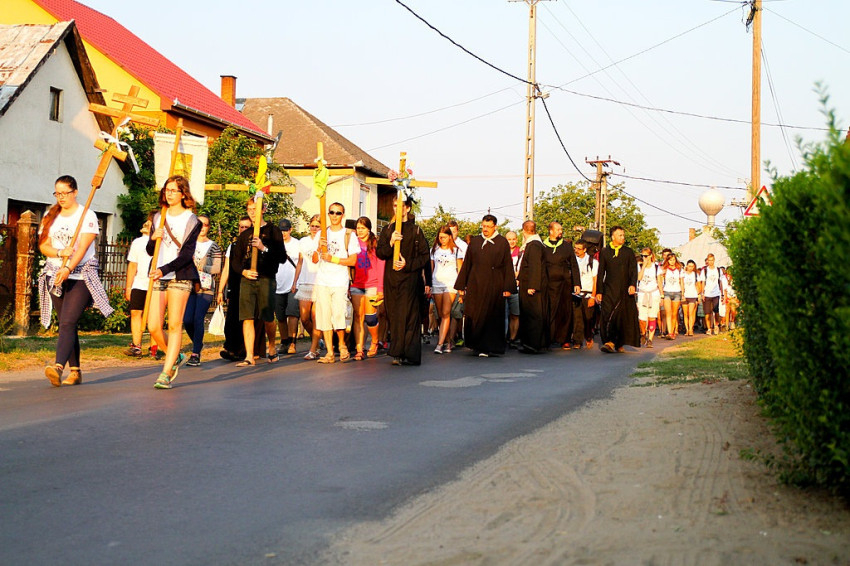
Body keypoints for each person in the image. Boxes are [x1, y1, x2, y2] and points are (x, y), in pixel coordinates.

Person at [38, 175, 114, 386]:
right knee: (66, 324)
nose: (61, 197)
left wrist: (68, 267)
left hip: (80, 275)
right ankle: (76, 371)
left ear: (75, 192)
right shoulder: (50, 215)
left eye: (65, 193)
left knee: (68, 322)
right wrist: (60, 252)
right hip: (55, 274)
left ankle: (58, 367)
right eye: (58, 193)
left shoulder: (87, 215)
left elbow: (82, 249)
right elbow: (43, 246)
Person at [146, 175, 201, 389]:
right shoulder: (158, 217)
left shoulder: (192, 220)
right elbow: (150, 251)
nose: (168, 194)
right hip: (158, 274)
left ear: (183, 194)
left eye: (173, 190)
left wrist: (165, 269)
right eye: (166, 190)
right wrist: (153, 239)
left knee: (174, 324)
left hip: (180, 275)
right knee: (153, 326)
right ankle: (175, 355)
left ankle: (166, 373)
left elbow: (187, 255)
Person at [232, 196, 286, 366]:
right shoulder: (244, 234)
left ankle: (272, 347)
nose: (252, 213)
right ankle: (249, 355)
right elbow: (235, 261)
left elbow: (282, 257)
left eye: (255, 209)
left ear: (263, 209)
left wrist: (263, 248)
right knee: (247, 317)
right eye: (249, 210)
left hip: (266, 278)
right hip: (248, 279)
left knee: (268, 317)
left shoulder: (273, 231)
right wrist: (244, 272)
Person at [376, 195, 430, 366]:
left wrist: (408, 264)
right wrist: (391, 242)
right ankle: (397, 352)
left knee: (409, 316)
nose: (397, 209)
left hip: (410, 279)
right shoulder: (387, 230)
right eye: (394, 206)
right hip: (392, 280)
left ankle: (410, 353)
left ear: (407, 208)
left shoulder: (416, 230)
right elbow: (380, 253)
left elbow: (425, 257)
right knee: (394, 315)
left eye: (400, 206)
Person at [454, 214, 516, 357]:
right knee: (475, 314)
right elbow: (467, 264)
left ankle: (490, 346)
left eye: (488, 226)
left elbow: (507, 265)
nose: (485, 229)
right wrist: (461, 285)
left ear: (495, 227)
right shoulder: (475, 241)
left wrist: (508, 287)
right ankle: (476, 344)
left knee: (491, 316)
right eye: (484, 226)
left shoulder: (502, 242)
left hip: (494, 284)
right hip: (475, 284)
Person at [313, 203, 359, 364]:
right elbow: (314, 259)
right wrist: (319, 248)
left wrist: (333, 259)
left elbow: (353, 260)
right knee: (324, 316)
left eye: (338, 213)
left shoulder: (349, 235)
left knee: (339, 314)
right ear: (328, 214)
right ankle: (330, 352)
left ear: (342, 215)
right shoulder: (321, 233)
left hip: (339, 280)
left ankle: (341, 344)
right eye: (332, 212)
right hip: (323, 280)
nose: (334, 215)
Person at [183, 215, 222, 366]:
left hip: (205, 288)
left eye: (205, 225)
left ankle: (195, 353)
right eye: (199, 224)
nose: (202, 227)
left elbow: (217, 268)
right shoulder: (188, 244)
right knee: (187, 320)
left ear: (209, 227)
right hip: (189, 286)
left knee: (198, 318)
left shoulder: (213, 246)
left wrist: (200, 266)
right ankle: (197, 343)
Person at [596, 225, 640, 353]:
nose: (622, 238)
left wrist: (632, 285)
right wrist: (599, 291)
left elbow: (633, 271)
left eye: (623, 235)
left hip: (624, 290)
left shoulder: (628, 252)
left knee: (621, 317)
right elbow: (601, 273)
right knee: (607, 314)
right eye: (620, 235)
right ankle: (609, 342)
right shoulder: (605, 252)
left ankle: (619, 343)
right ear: (613, 237)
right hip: (609, 289)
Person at [542, 221, 581, 349]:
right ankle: (548, 338)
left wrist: (577, 283)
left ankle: (565, 339)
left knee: (565, 311)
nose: (560, 232)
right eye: (558, 229)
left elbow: (574, 264)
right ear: (551, 231)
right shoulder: (543, 246)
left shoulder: (566, 246)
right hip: (549, 284)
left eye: (561, 229)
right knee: (549, 311)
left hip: (565, 283)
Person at [218, 216, 252, 361]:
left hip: (249, 286)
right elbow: (226, 269)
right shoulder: (232, 246)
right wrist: (220, 290)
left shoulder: (255, 246)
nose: (243, 229)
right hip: (235, 286)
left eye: (246, 227)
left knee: (246, 319)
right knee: (231, 319)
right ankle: (230, 347)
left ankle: (244, 349)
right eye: (241, 227)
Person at [351, 216, 385, 360]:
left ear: (369, 229)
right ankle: (359, 348)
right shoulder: (353, 242)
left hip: (372, 284)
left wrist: (380, 288)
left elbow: (381, 265)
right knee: (358, 317)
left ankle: (375, 341)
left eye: (363, 228)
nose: (360, 231)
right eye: (358, 228)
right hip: (357, 284)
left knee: (370, 318)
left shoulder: (375, 243)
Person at [123, 215, 155, 357]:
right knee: (136, 312)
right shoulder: (137, 242)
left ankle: (154, 347)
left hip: (155, 284)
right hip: (139, 283)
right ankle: (136, 346)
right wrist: (129, 287)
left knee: (154, 316)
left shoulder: (162, 242)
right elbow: (132, 265)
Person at [517, 220, 548, 353]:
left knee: (533, 314)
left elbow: (535, 266)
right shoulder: (534, 244)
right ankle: (529, 342)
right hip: (528, 284)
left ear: (524, 231)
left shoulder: (534, 245)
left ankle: (533, 344)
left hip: (532, 287)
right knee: (529, 314)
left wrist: (532, 285)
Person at [430, 225, 462, 354]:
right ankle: (448, 340)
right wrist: (428, 284)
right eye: (440, 237)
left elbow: (460, 270)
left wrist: (461, 288)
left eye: (444, 237)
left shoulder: (456, 251)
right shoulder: (434, 250)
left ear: (450, 237)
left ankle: (439, 344)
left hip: (450, 284)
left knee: (446, 312)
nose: (442, 239)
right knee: (439, 314)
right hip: (437, 283)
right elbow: (431, 268)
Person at [295, 215, 323, 360]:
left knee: (315, 316)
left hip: (318, 282)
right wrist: (295, 281)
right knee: (305, 318)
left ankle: (314, 348)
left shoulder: (323, 241)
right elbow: (300, 262)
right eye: (312, 225)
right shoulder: (303, 241)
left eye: (317, 226)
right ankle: (317, 339)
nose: (314, 228)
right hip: (305, 281)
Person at [273, 218, 301, 355]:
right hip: (278, 284)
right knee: (280, 315)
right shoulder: (274, 244)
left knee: (293, 313)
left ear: (290, 230)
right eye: (281, 230)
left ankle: (292, 342)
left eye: (285, 230)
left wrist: (296, 282)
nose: (283, 233)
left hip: (293, 284)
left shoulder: (297, 244)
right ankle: (284, 341)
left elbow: (300, 263)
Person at [571, 239, 598, 349]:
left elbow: (595, 280)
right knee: (577, 318)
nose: (576, 251)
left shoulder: (592, 262)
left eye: (579, 249)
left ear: (585, 249)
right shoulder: (572, 260)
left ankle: (589, 336)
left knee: (588, 318)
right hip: (576, 293)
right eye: (575, 248)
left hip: (588, 294)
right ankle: (577, 341)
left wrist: (593, 296)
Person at [636, 248, 661, 348]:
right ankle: (643, 333)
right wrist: (644, 266)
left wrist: (662, 295)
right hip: (642, 293)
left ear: (650, 256)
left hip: (653, 293)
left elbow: (659, 282)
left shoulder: (656, 267)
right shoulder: (639, 266)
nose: (644, 258)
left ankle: (650, 339)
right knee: (642, 318)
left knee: (652, 316)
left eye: (646, 256)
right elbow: (639, 278)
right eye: (642, 256)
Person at [698, 253, 727, 335]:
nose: (710, 262)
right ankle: (709, 328)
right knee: (707, 313)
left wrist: (722, 294)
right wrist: (702, 293)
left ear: (714, 260)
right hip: (707, 293)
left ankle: (716, 325)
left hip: (716, 293)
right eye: (709, 260)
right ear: (707, 261)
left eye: (712, 260)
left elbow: (720, 282)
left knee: (716, 310)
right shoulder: (704, 271)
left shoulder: (718, 270)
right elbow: (703, 282)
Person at [659, 252, 684, 340]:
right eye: (670, 260)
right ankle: (669, 332)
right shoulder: (664, 269)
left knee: (674, 313)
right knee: (668, 313)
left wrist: (682, 294)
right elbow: (660, 282)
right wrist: (661, 293)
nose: (672, 262)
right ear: (667, 261)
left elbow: (681, 282)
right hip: (667, 292)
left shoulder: (679, 269)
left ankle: (673, 331)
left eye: (673, 260)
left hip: (677, 292)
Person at [505, 230, 521, 347]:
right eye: (509, 239)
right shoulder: (502, 252)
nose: (511, 241)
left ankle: (513, 338)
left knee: (515, 314)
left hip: (516, 288)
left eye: (513, 239)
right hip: (503, 287)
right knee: (503, 314)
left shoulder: (520, 252)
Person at [682, 259, 700, 336]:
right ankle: (687, 329)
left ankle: (690, 329)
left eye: (692, 266)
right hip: (685, 295)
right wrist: (682, 294)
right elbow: (681, 284)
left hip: (693, 295)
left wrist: (699, 295)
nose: (691, 268)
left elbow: (698, 285)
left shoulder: (695, 275)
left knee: (691, 313)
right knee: (685, 314)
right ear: (687, 266)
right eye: (689, 266)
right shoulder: (683, 274)